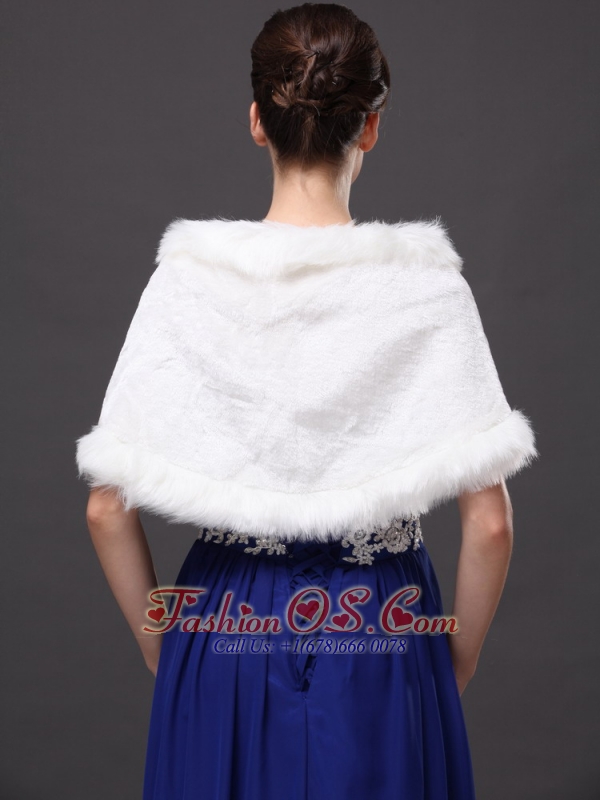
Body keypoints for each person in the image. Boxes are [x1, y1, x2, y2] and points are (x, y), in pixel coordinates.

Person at [75, 4, 538, 799]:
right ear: (370, 127)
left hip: (223, 623)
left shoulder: (187, 283)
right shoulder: (426, 289)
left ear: (258, 120)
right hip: (382, 621)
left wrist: (170, 649)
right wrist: (447, 665)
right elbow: (489, 523)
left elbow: (106, 509)